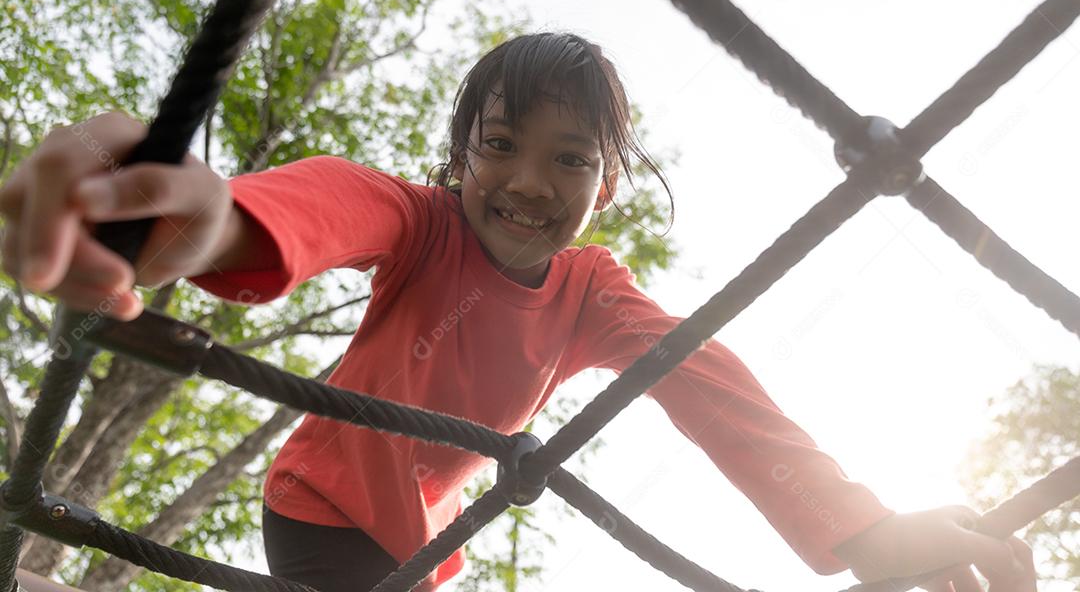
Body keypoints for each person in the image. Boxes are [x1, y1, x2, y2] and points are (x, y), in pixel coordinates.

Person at [0, 33, 1035, 592]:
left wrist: (859, 526)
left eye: (570, 158)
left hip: (420, 541)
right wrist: (216, 220)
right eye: (500, 146)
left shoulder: (594, 293)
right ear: (460, 160)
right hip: (318, 508)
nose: (529, 183)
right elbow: (331, 202)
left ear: (609, 185)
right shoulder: (423, 225)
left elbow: (704, 379)